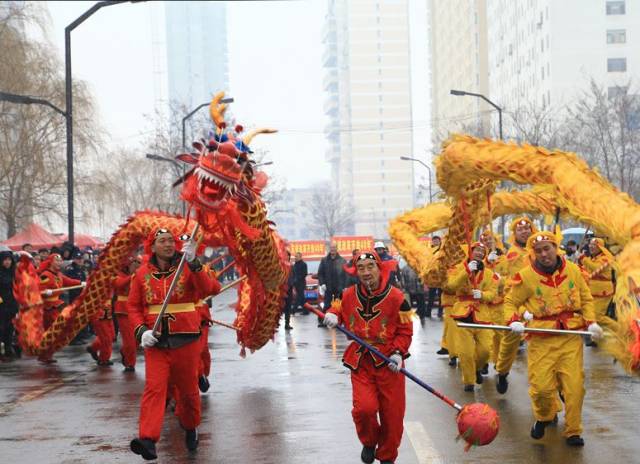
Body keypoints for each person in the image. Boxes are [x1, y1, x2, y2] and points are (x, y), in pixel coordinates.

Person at [128, 228, 220, 460]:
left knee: (188, 393)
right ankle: (147, 439)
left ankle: (191, 426)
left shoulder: (187, 267)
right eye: (162, 241)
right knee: (154, 389)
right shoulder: (140, 275)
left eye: (171, 241)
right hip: (156, 341)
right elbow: (134, 307)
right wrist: (141, 332)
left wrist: (195, 263)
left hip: (186, 340)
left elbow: (211, 289)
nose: (169, 244)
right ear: (152, 246)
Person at [503, 230, 602, 446]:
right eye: (538, 251)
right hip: (541, 339)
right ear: (534, 253)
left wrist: (591, 321)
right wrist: (513, 320)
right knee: (541, 389)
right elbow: (510, 301)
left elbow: (585, 298)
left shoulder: (574, 270)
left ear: (556, 248)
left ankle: (573, 431)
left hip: (569, 337)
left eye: (547, 248)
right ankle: (545, 416)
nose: (544, 254)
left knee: (575, 388)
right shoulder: (527, 276)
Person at [323, 251, 413, 464]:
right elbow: (336, 309)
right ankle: (369, 441)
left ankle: (387, 457)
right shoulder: (347, 294)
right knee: (364, 409)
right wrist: (332, 315)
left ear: (379, 268)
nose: (365, 272)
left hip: (389, 362)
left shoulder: (399, 298)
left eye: (370, 267)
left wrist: (398, 353)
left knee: (393, 417)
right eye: (361, 268)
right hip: (361, 362)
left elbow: (406, 330)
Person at [445, 242, 498, 392]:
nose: (480, 253)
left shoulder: (489, 273)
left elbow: (493, 293)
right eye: (477, 250)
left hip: (482, 315)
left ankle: (477, 368)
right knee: (466, 352)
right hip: (462, 315)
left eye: (483, 251)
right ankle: (469, 381)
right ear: (470, 251)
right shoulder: (457, 268)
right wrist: (466, 271)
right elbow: (451, 286)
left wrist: (483, 295)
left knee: (486, 351)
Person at [495, 216, 537, 394]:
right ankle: (502, 372)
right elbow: (513, 283)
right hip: (519, 299)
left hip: (542, 299)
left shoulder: (540, 248)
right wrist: (522, 310)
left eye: (527, 228)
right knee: (511, 339)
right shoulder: (513, 254)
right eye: (520, 229)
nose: (525, 231)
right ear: (515, 233)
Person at [38, 253, 83, 363]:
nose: (59, 263)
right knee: (53, 330)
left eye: (60, 261)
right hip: (48, 307)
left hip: (56, 304)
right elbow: (37, 290)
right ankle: (45, 354)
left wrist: (81, 282)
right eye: (56, 261)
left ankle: (48, 354)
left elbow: (68, 281)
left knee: (56, 331)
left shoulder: (59, 274)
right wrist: (45, 292)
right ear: (51, 262)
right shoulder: (45, 275)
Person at [579, 238, 617, 336]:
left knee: (598, 317)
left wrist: (584, 259)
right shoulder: (593, 258)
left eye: (594, 245)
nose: (591, 246)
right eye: (590, 244)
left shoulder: (605, 258)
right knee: (590, 314)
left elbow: (595, 268)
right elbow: (587, 270)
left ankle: (621, 329)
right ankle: (595, 336)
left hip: (603, 292)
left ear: (600, 247)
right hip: (592, 292)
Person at [112, 256, 141, 371]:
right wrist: (133, 275)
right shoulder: (117, 274)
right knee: (129, 340)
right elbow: (119, 284)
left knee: (138, 337)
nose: (136, 265)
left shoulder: (138, 275)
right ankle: (130, 364)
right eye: (134, 263)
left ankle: (125, 352)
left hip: (136, 309)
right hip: (123, 310)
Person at [317, 243, 346, 326]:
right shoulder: (324, 260)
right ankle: (322, 321)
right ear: (329, 249)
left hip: (339, 288)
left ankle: (339, 322)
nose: (332, 249)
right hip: (328, 288)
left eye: (334, 247)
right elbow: (320, 273)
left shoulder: (342, 261)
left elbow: (345, 275)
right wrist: (322, 284)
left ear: (337, 249)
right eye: (331, 247)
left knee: (338, 306)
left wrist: (345, 286)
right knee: (326, 305)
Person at [0, 247, 18, 360]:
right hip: (1, 305)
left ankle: (8, 347)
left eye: (9, 259)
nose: (8, 262)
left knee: (10, 327)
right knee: (1, 327)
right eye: (5, 260)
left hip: (12, 304)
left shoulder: (13, 273)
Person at [87, 299, 115, 366]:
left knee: (111, 336)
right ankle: (103, 359)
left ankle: (93, 348)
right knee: (107, 339)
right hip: (99, 315)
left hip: (108, 313)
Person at [426, 236, 442, 318]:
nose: (435, 242)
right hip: (432, 278)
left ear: (440, 241)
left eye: (437, 240)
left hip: (441, 277)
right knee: (431, 296)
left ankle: (440, 312)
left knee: (441, 297)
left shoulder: (443, 250)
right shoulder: (429, 251)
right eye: (434, 240)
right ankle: (428, 312)